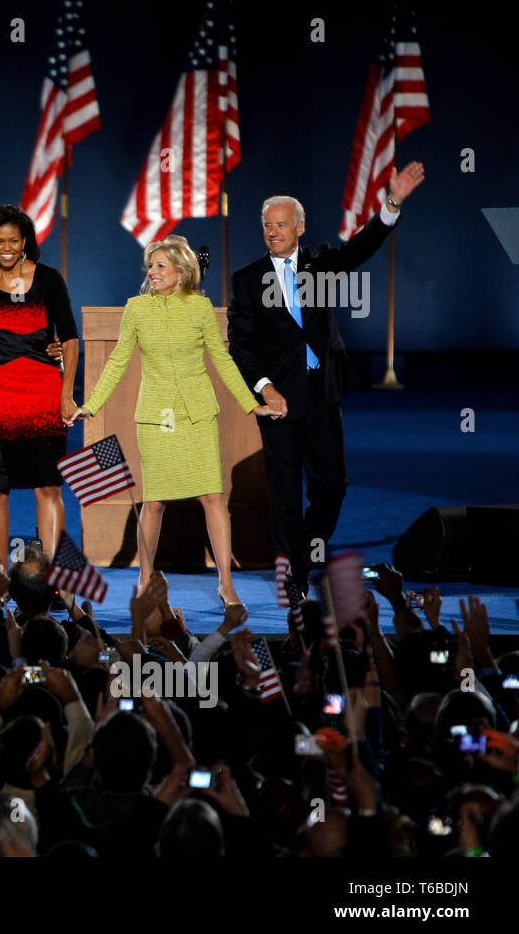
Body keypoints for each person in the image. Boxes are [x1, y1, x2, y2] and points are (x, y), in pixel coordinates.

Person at [227, 162, 426, 588]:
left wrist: (391, 203)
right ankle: (294, 572)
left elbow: (362, 246)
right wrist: (265, 388)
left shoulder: (321, 262)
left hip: (321, 391)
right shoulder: (247, 280)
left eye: (281, 224)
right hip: (278, 398)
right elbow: (240, 344)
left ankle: (307, 544)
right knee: (283, 490)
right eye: (267, 225)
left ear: (299, 227)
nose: (273, 231)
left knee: (332, 485)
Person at [79, 235, 272, 607]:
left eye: (160, 266)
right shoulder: (136, 309)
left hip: (197, 413)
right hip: (157, 416)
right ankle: (144, 580)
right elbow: (118, 360)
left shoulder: (200, 309)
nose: (152, 272)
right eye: (150, 266)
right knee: (154, 503)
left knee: (213, 498)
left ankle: (225, 583)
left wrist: (252, 404)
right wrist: (92, 405)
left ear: (181, 272)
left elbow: (222, 359)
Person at [0, 205, 79, 569]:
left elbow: (70, 338)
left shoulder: (49, 280)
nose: (6, 247)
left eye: (13, 240)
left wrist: (67, 393)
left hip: (42, 395)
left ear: (25, 241)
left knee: (48, 487)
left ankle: (50, 577)